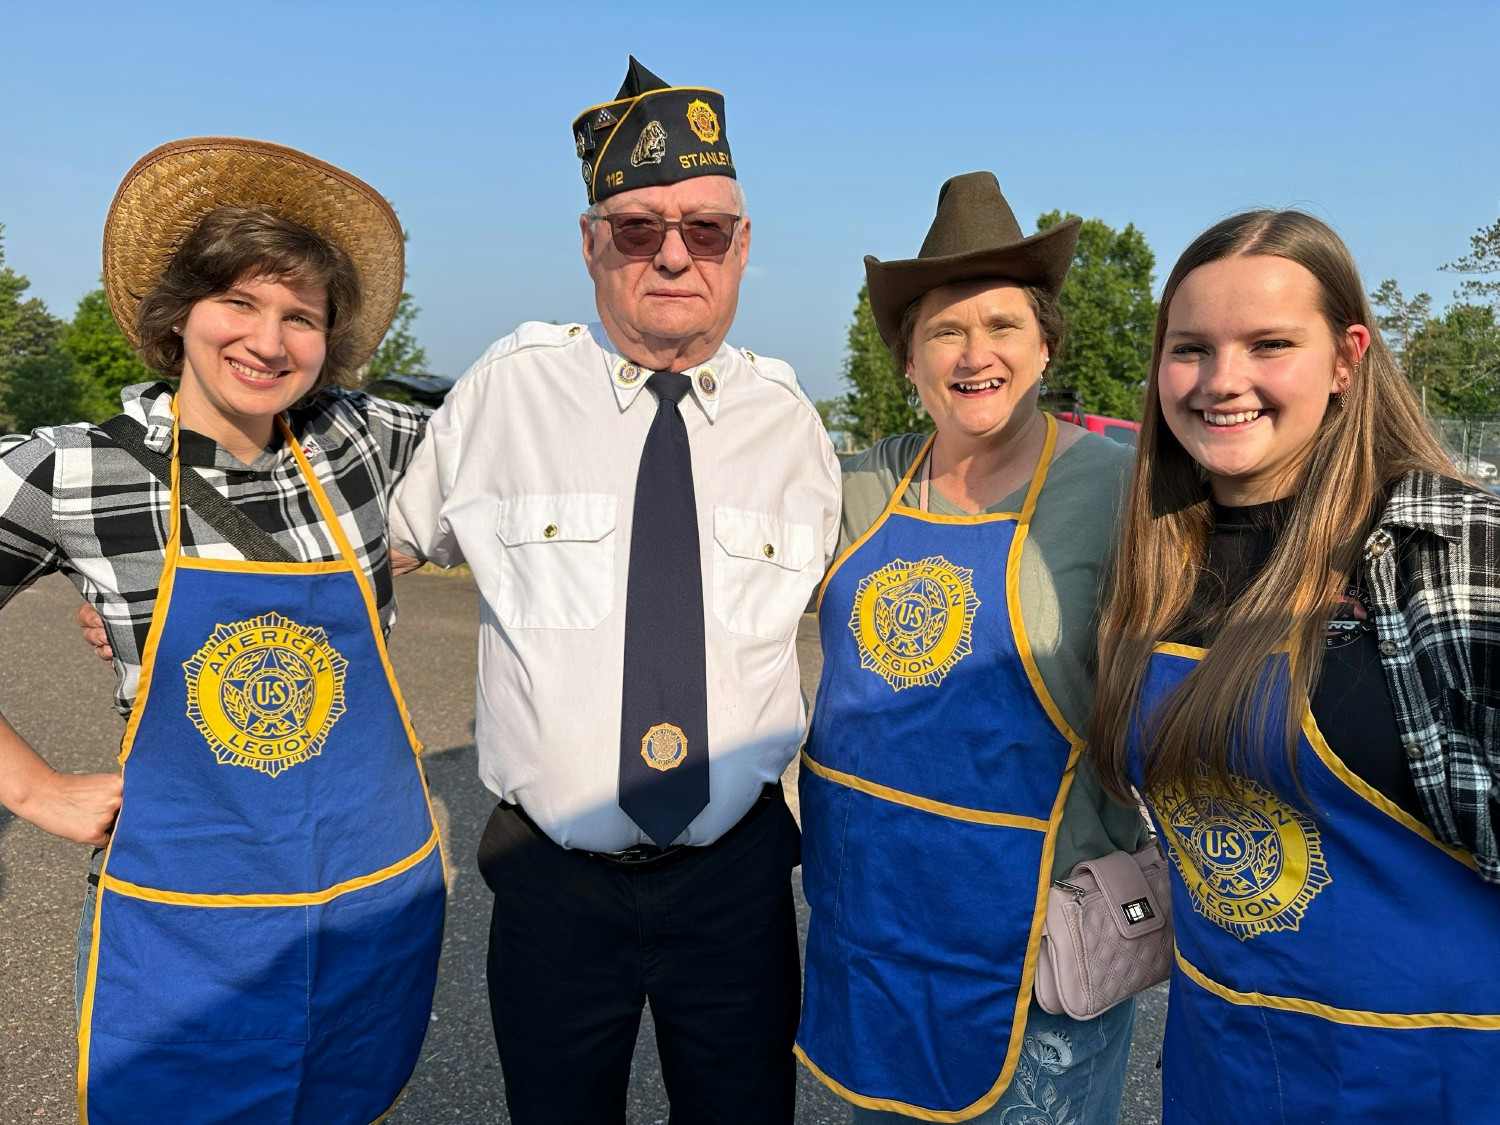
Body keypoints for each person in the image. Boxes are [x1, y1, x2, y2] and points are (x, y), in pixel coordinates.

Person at [388, 58, 840, 1123]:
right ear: (591, 245)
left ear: (743, 249)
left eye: (707, 230)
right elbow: (372, 555)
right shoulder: (505, 394)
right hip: (554, 881)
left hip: (736, 880)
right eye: (637, 229)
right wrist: (161, 601)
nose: (674, 253)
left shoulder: (796, 429)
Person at [0, 137, 444, 1123]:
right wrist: (32, 787)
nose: (268, 340)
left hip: (361, 907)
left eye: (301, 316)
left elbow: (536, 440)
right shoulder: (72, 471)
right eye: (237, 303)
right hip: (182, 928)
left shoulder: (367, 439)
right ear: (178, 314)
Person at [1087, 209, 1500, 1123]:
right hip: (1224, 1067)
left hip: (1442, 1078)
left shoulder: (1445, 548)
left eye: (1268, 343)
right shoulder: (1159, 560)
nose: (1222, 381)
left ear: (1347, 357)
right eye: (1190, 348)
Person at [795, 172, 1149, 1122]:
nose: (973, 352)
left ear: (1045, 346)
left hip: (1039, 954)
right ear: (908, 360)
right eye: (944, 330)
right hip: (879, 932)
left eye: (1001, 326)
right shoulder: (853, 486)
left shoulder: (1124, 493)